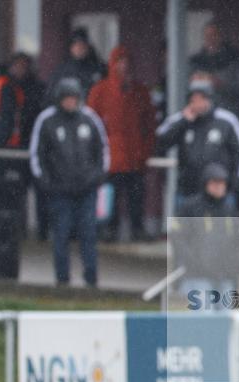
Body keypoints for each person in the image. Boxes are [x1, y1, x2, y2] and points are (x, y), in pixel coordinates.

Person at [30, 78, 109, 287]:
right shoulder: (47, 120)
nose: (70, 103)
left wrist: (97, 177)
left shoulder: (90, 119)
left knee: (89, 235)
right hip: (59, 191)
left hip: (87, 190)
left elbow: (102, 150)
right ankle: (62, 279)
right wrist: (46, 182)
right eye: (67, 99)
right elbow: (37, 154)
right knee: (61, 235)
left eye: (74, 99)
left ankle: (91, 278)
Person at [87, 46, 155, 242]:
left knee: (136, 196)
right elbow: (93, 123)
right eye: (119, 61)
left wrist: (146, 149)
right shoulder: (100, 91)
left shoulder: (140, 91)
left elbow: (149, 124)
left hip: (135, 155)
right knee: (110, 196)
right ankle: (109, 228)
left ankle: (137, 228)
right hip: (111, 157)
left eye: (126, 62)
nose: (123, 66)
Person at [155, 80, 239, 209]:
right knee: (185, 228)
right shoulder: (180, 119)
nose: (198, 104)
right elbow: (160, 142)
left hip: (219, 191)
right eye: (194, 100)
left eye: (202, 99)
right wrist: (183, 122)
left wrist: (236, 180)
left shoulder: (226, 120)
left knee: (221, 228)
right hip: (188, 190)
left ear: (209, 99)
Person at [0, 52, 48, 239]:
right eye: (17, 65)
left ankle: (41, 230)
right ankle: (15, 229)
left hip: (32, 146)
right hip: (12, 148)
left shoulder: (36, 88)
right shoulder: (3, 86)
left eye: (24, 65)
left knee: (40, 190)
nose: (21, 69)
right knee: (14, 192)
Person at [174, 163, 239, 309]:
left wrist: (234, 266)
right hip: (198, 275)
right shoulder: (190, 207)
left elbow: (237, 242)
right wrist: (195, 263)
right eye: (214, 182)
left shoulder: (229, 209)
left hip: (225, 275)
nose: (219, 186)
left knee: (226, 322)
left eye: (222, 183)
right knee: (204, 320)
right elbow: (178, 240)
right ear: (206, 183)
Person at [188, 20, 239, 119]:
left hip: (228, 114)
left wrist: (220, 84)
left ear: (220, 36)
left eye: (213, 35)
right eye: (207, 36)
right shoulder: (196, 61)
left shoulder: (235, 58)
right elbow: (184, 90)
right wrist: (194, 82)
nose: (210, 39)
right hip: (202, 116)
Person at [46, 28, 106, 101]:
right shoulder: (61, 71)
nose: (79, 48)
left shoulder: (99, 69)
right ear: (71, 48)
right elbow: (52, 95)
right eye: (76, 45)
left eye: (82, 45)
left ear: (88, 47)